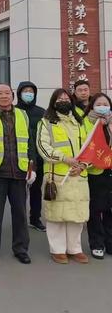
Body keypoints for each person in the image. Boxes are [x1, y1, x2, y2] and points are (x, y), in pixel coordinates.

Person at [0, 84, 36, 264]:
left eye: (7, 93)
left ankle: (21, 249)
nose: (4, 96)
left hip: (19, 171)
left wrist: (31, 168)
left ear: (12, 96)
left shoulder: (22, 115)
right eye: (0, 93)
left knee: (20, 213)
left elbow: (30, 143)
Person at [37, 88, 89, 264]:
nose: (63, 100)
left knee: (77, 214)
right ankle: (58, 249)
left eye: (66, 97)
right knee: (56, 215)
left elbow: (90, 148)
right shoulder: (46, 122)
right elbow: (42, 147)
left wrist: (82, 165)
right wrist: (65, 159)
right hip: (57, 175)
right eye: (59, 98)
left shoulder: (80, 122)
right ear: (53, 102)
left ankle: (75, 248)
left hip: (78, 175)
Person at [83, 93, 112, 260]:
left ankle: (110, 242)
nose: (102, 106)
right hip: (95, 172)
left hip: (110, 171)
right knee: (95, 210)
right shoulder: (86, 122)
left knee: (110, 209)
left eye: (105, 103)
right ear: (92, 106)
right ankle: (97, 244)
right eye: (98, 104)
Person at [16, 81, 46, 232]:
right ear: (19, 93)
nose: (29, 93)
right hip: (19, 157)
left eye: (31, 91)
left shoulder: (42, 112)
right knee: (20, 192)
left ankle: (35, 218)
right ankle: (20, 220)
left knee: (36, 190)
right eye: (25, 91)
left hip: (38, 157)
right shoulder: (14, 111)